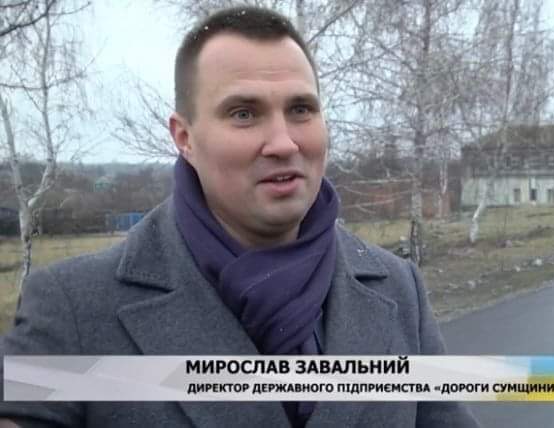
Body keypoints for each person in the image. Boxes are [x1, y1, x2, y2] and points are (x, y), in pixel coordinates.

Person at [0, 6, 479, 427]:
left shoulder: (397, 287)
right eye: (244, 114)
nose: (284, 143)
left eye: (301, 109)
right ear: (185, 137)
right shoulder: (73, 305)